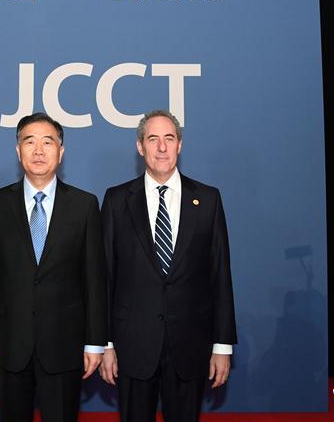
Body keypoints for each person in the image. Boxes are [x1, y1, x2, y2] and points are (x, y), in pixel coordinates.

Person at [98, 110, 237, 422]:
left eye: (169, 138)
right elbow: (104, 277)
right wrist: (105, 343)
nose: (161, 147)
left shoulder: (208, 200)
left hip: (190, 344)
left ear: (180, 145)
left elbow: (220, 275)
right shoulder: (116, 200)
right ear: (140, 147)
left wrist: (222, 345)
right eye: (153, 139)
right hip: (132, 346)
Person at [0, 113, 107, 422]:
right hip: (10, 344)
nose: (38, 151)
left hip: (65, 344)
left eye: (47, 142)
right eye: (29, 142)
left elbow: (94, 279)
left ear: (60, 152)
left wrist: (94, 341)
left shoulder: (84, 205)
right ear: (17, 150)